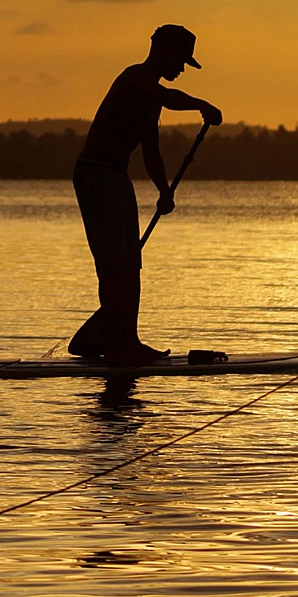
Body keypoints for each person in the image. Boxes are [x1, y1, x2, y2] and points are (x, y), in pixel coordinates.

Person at [72, 24, 222, 364]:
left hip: (116, 175)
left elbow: (151, 152)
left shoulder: (152, 98)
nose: (181, 68)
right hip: (94, 174)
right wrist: (201, 105)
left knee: (132, 263)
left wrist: (164, 191)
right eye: (180, 60)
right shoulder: (136, 79)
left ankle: (127, 340)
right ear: (161, 50)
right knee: (114, 263)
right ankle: (118, 345)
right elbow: (168, 98)